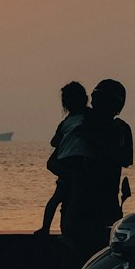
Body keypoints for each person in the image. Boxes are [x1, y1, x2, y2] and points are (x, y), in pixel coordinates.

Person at [35, 81, 89, 235]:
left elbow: (54, 141)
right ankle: (67, 233)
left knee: (57, 197)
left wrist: (65, 139)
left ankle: (45, 228)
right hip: (78, 161)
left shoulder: (65, 122)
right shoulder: (87, 117)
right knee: (75, 198)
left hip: (64, 160)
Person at [87, 78, 133, 229]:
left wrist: (99, 143)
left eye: (99, 99)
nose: (93, 102)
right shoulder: (84, 123)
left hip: (106, 203)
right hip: (80, 202)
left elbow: (126, 159)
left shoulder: (121, 129)